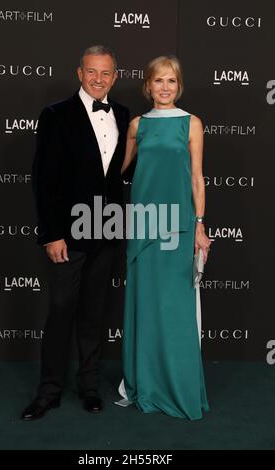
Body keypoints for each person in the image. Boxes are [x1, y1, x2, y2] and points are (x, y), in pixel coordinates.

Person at [21, 45, 129, 420]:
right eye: (92, 72)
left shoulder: (124, 114)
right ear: (79, 73)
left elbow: (119, 176)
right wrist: (52, 234)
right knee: (61, 310)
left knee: (94, 313)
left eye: (106, 73)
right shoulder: (55, 115)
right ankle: (49, 391)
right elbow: (44, 179)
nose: (99, 79)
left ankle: (89, 386)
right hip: (67, 233)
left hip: (108, 228)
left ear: (115, 76)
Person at [120, 55, 211, 419]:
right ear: (148, 86)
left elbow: (196, 178)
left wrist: (200, 225)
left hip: (180, 226)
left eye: (171, 81)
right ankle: (146, 383)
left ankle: (177, 385)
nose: (164, 87)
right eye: (158, 81)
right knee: (147, 305)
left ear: (179, 85)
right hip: (143, 226)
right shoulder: (137, 125)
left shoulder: (192, 124)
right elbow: (116, 171)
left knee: (175, 310)